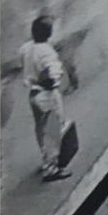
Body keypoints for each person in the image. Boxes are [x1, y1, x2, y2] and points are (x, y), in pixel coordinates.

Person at [22, 16, 71, 180]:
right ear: (48, 33)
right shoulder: (46, 52)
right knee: (52, 130)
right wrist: (51, 84)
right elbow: (48, 75)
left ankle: (46, 161)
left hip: (33, 95)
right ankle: (52, 169)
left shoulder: (26, 47)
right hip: (46, 93)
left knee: (41, 130)